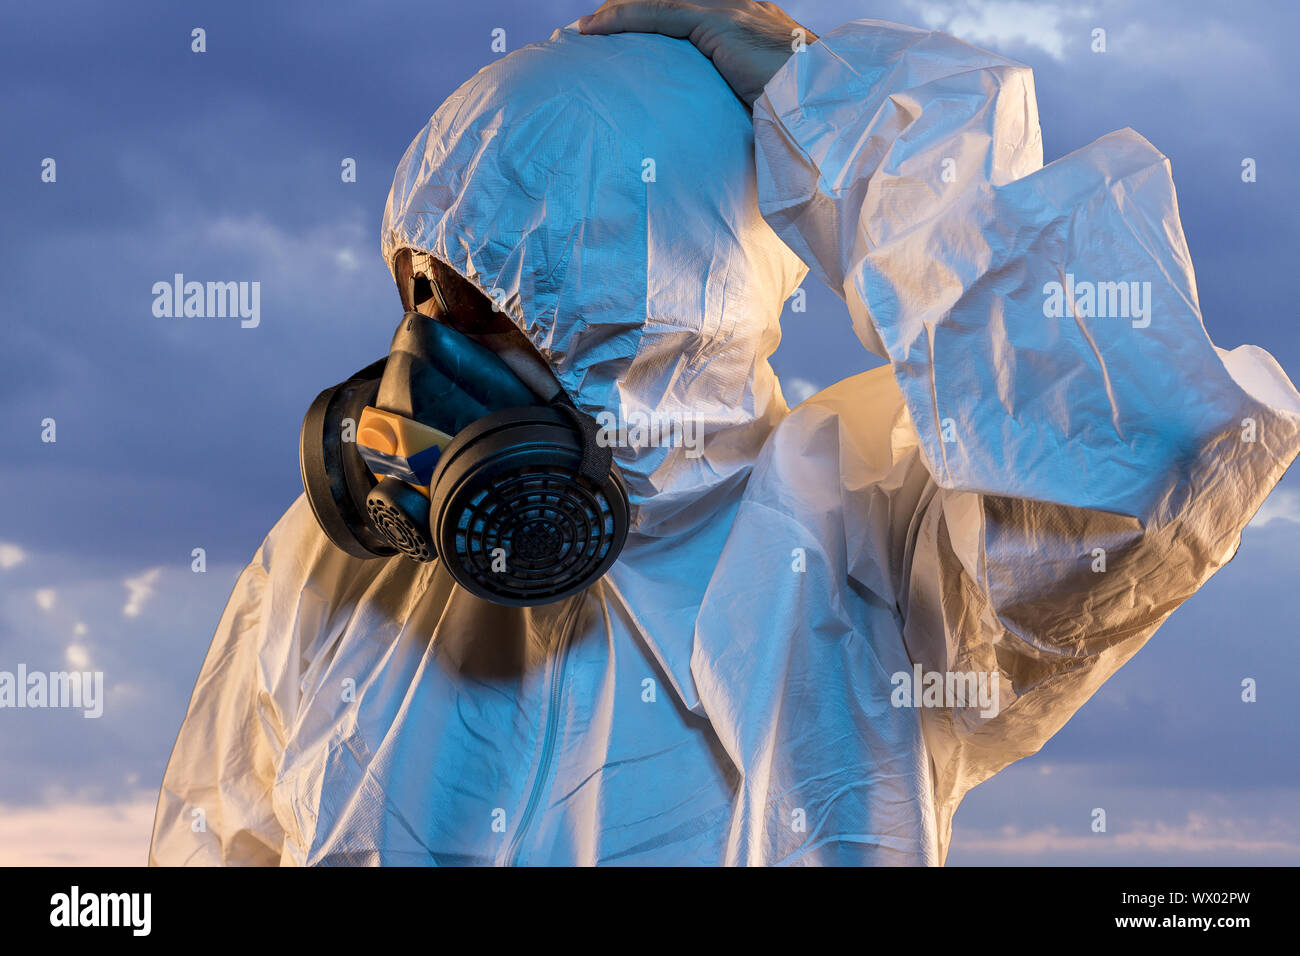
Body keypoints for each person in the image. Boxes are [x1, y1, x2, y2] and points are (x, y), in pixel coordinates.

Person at [150, 1, 1300, 865]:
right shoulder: (326, 573)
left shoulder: (867, 558)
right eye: (422, 288)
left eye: (495, 296)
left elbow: (1146, 446)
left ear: (660, 306)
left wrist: (837, 112)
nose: (427, 354)